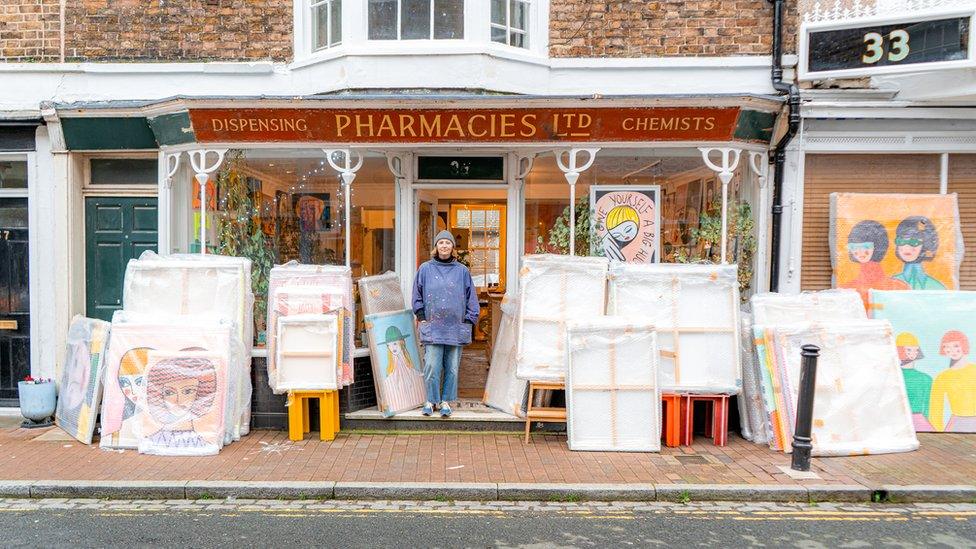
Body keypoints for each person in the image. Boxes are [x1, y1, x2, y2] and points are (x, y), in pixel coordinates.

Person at [412, 230, 480, 417]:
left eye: (447, 243)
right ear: (436, 247)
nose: (444, 246)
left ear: (453, 247)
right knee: (432, 365)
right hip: (432, 326)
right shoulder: (425, 269)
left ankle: (445, 401)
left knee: (452, 367)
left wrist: (468, 320)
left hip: (455, 327)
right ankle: (431, 400)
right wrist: (421, 315)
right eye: (441, 242)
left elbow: (471, 298)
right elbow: (416, 295)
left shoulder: (462, 271)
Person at [839, 219, 908, 304]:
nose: (860, 252)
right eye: (854, 247)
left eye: (866, 246)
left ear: (877, 246)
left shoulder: (898, 287)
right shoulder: (847, 290)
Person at [928, 331, 976, 432]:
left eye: (956, 346)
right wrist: (937, 433)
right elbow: (936, 409)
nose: (952, 350)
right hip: (956, 423)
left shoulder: (974, 371)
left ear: (964, 345)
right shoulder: (942, 377)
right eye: (947, 347)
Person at [892, 216, 947, 290]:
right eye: (901, 241)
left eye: (914, 242)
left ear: (926, 244)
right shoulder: (890, 284)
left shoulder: (937, 287)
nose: (907, 248)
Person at [895, 332, 933, 431]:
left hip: (919, 422)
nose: (913, 353)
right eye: (908, 349)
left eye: (915, 350)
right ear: (899, 350)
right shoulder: (894, 376)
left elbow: (927, 407)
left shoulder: (926, 379)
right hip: (898, 421)